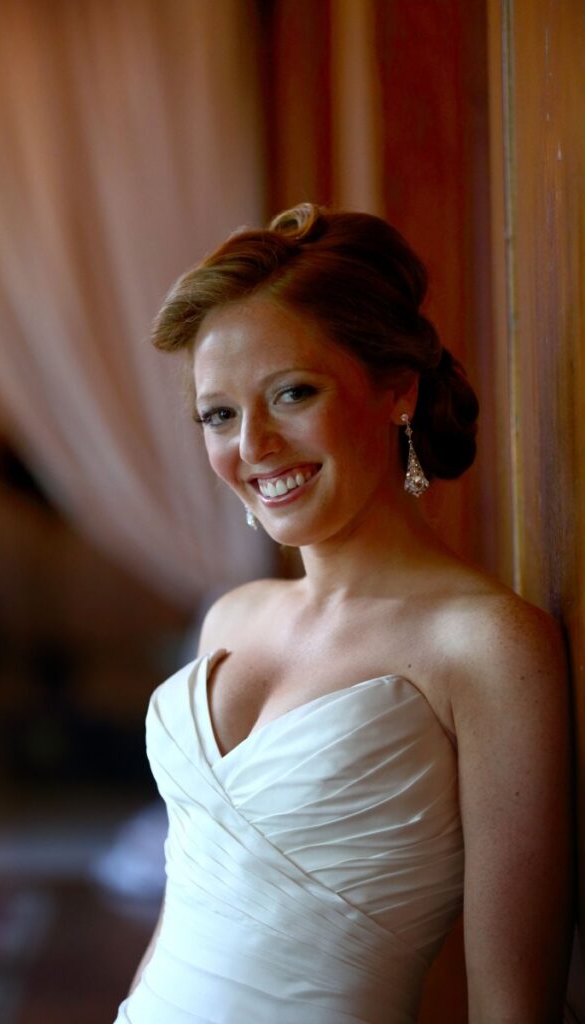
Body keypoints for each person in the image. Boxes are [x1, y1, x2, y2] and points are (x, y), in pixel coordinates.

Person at [114, 204, 572, 1023]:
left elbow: (511, 1003)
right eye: (219, 413)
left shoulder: (487, 645)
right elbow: (190, 908)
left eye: (291, 393)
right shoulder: (231, 618)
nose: (251, 444)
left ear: (395, 389)